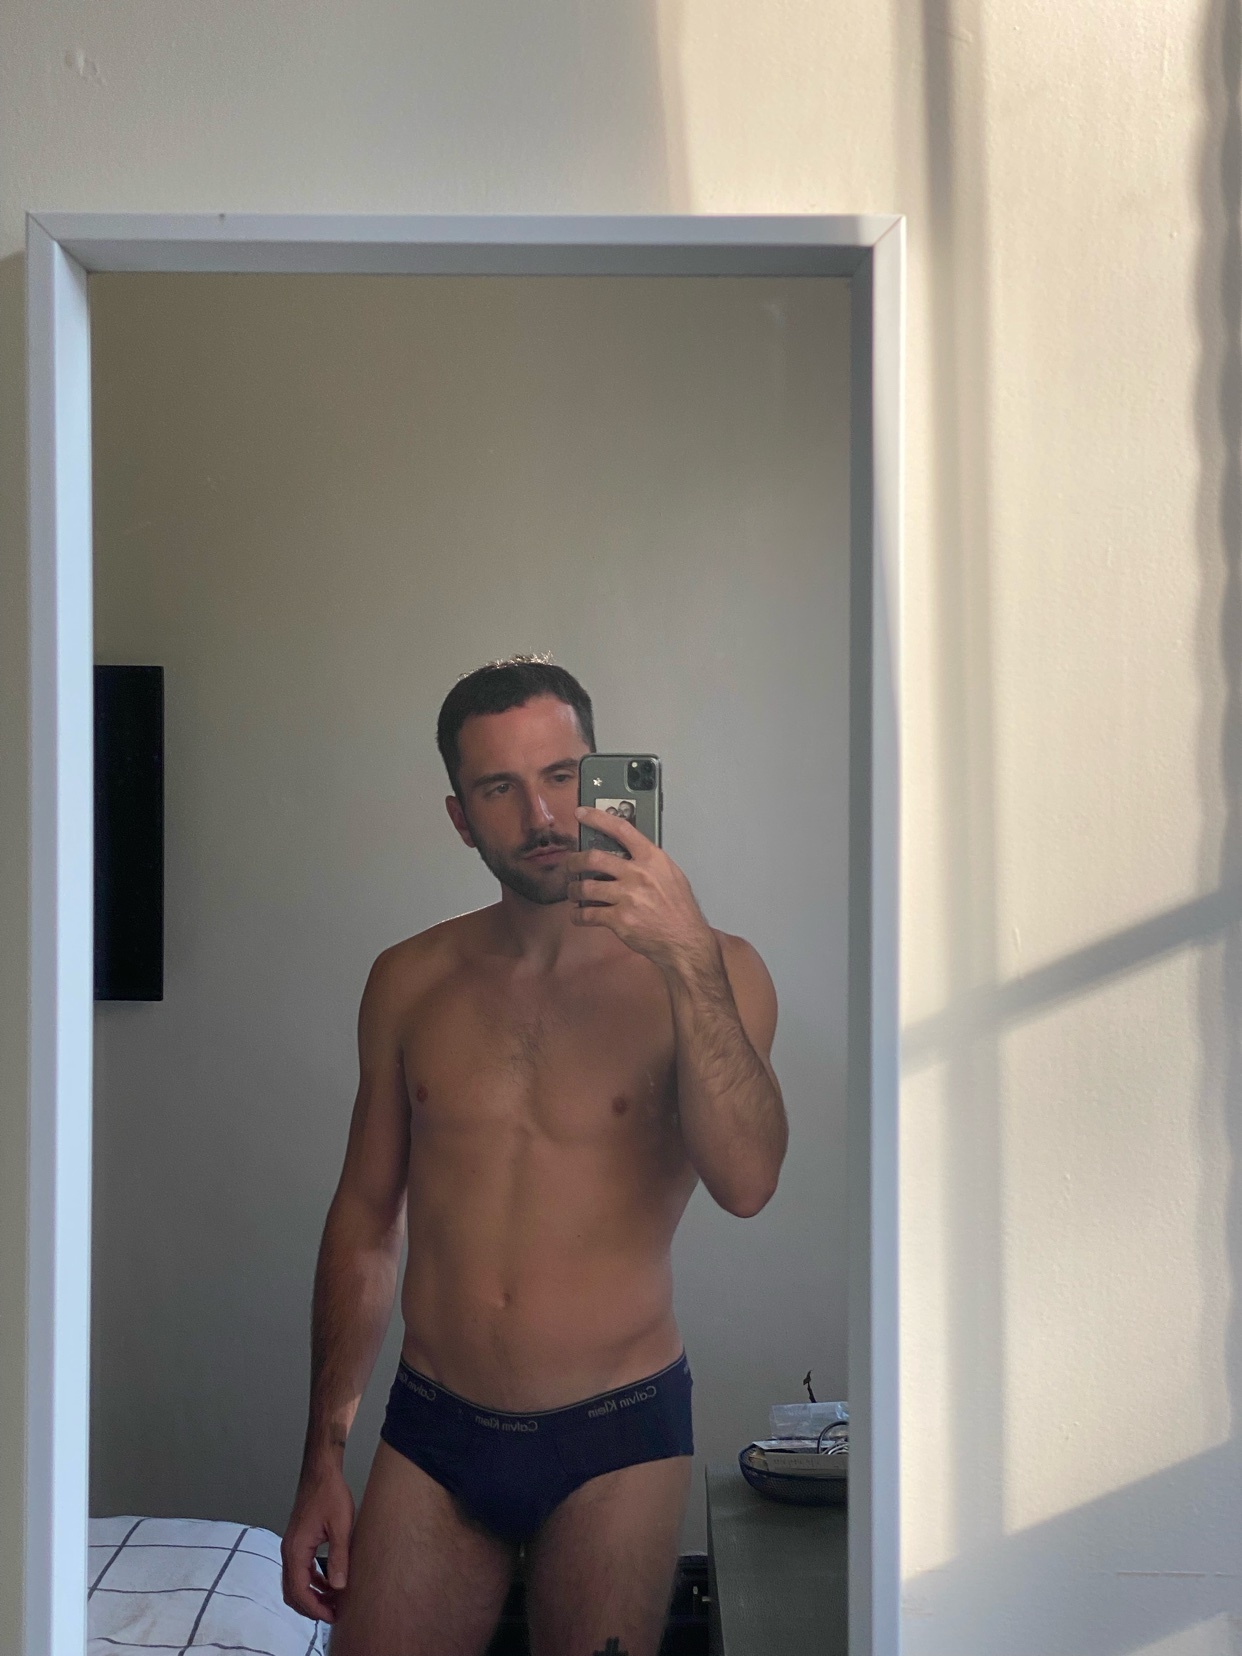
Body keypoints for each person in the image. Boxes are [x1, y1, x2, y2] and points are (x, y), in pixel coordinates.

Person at [280, 656, 787, 1656]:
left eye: (561, 776)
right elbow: (366, 1222)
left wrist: (684, 955)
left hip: (618, 1432)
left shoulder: (718, 968)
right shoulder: (409, 980)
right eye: (499, 788)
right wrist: (322, 1459)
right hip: (435, 1428)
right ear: (461, 818)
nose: (542, 815)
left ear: (599, 775)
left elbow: (749, 1182)